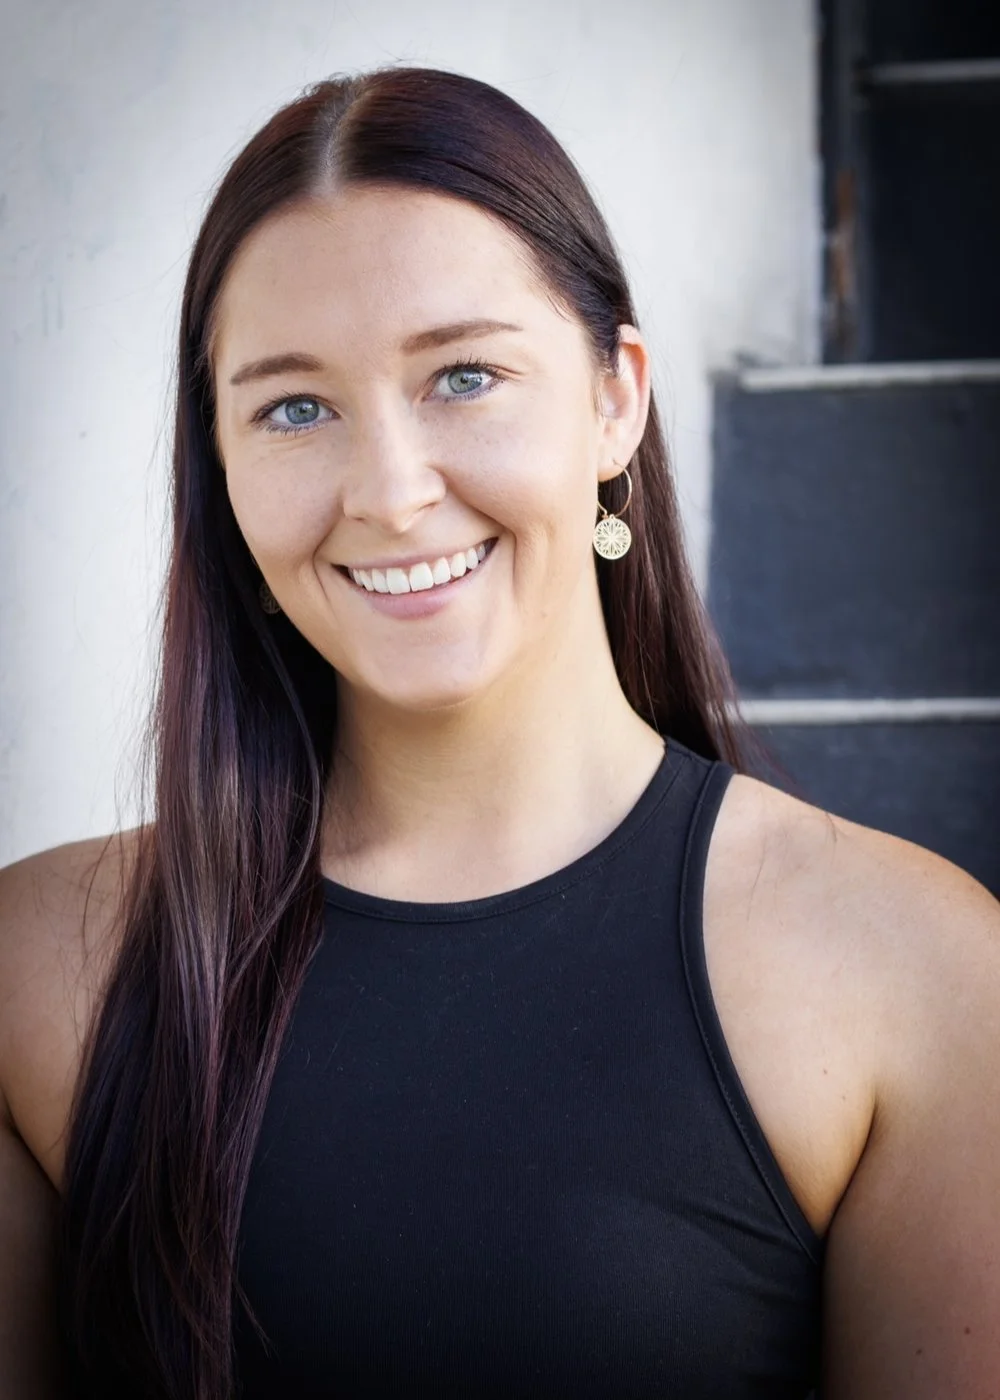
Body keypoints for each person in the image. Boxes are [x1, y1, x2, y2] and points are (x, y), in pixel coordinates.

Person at [0, 64, 998, 1400]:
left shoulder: (914, 972)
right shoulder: (36, 974)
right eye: (295, 406)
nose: (392, 492)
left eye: (463, 376)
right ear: (220, 467)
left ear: (615, 400)